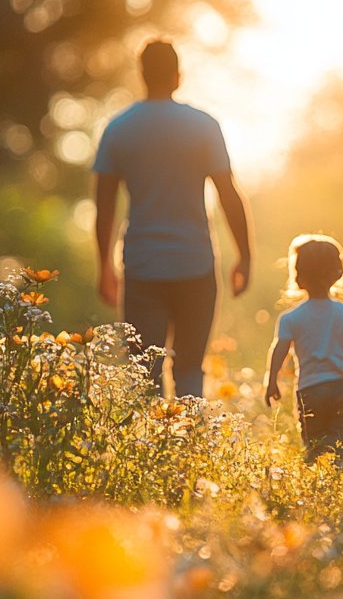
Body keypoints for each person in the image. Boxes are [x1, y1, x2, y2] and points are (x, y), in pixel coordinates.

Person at [92, 37, 251, 398]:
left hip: (143, 265)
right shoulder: (203, 125)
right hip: (195, 263)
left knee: (142, 371)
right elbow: (229, 194)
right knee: (190, 369)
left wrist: (104, 266)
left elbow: (104, 207)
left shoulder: (119, 128)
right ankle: (190, 447)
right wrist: (245, 255)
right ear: (178, 76)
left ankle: (152, 450)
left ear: (142, 75)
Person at [264, 235, 343, 469]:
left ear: (298, 276)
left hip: (310, 389)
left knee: (313, 442)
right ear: (338, 273)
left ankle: (315, 480)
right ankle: (335, 472)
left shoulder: (291, 318)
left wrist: (271, 381)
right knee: (341, 437)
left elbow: (279, 351)